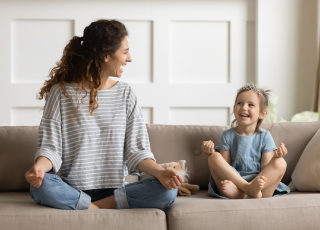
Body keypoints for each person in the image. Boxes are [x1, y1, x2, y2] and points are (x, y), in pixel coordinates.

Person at [24, 19, 183, 210]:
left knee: (167, 190)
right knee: (41, 187)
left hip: (114, 191)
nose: (129, 58)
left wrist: (160, 172)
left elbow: (137, 152)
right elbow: (51, 148)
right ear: (106, 55)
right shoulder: (61, 93)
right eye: (125, 52)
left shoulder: (126, 94)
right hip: (72, 188)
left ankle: (88, 208)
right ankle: (96, 207)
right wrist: (40, 168)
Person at [201, 83, 290, 199]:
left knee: (281, 162)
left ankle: (244, 193)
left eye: (251, 105)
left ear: (262, 113)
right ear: (234, 108)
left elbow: (266, 168)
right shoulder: (227, 135)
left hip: (259, 187)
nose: (244, 107)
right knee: (213, 157)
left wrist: (275, 158)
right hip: (233, 183)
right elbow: (225, 167)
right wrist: (209, 152)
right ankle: (245, 189)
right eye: (239, 103)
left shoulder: (265, 136)